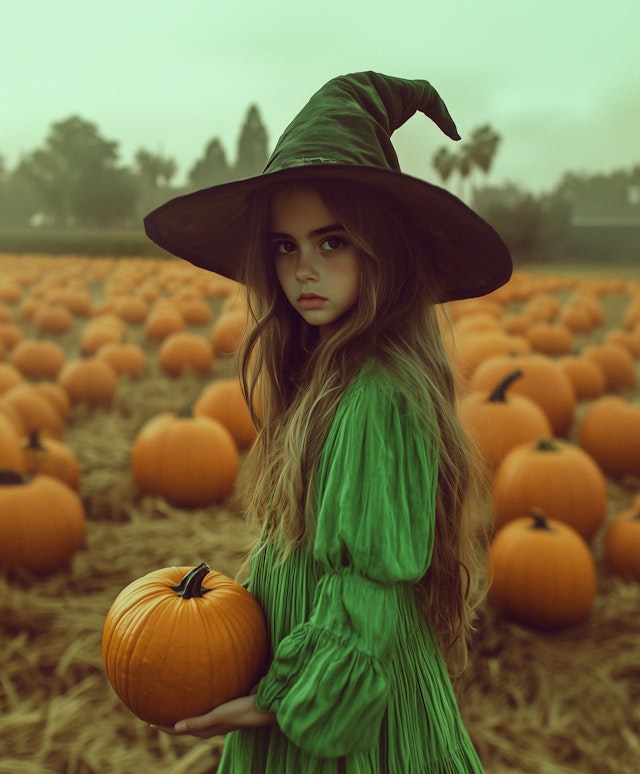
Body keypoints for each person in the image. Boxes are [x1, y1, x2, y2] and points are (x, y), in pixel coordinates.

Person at [145, 71, 512, 772]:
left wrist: (283, 700)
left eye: (332, 242)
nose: (303, 270)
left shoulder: (380, 396)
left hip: (344, 708)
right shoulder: (325, 377)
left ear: (385, 251)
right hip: (302, 664)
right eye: (285, 246)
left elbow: (367, 585)